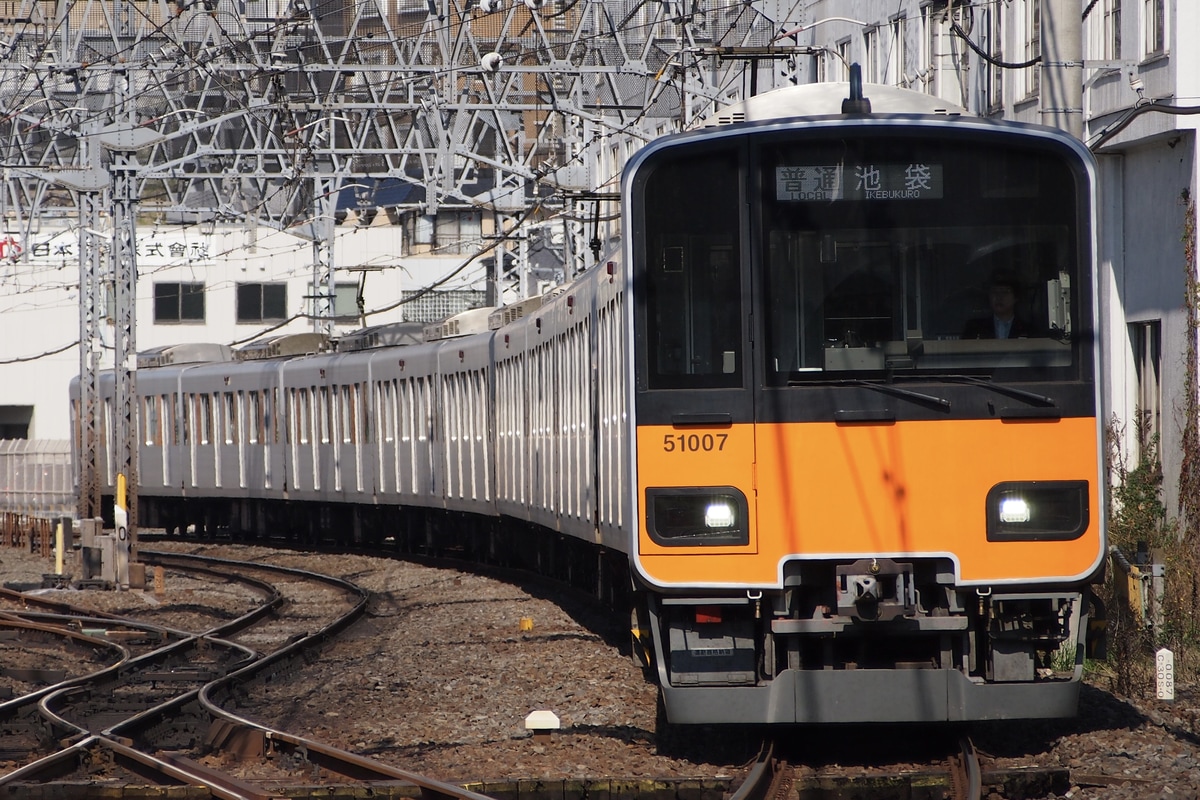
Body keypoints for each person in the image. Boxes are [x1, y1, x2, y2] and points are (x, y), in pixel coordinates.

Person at [962, 269, 1034, 339]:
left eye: (1005, 292)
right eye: (994, 292)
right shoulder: (974, 328)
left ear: (1016, 297)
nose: (999, 297)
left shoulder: (1029, 330)